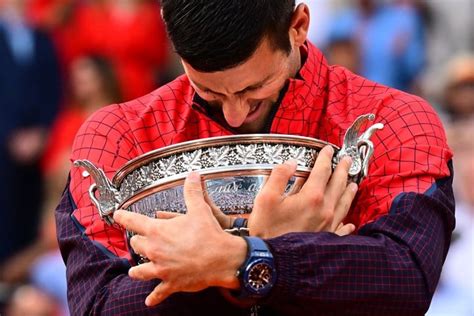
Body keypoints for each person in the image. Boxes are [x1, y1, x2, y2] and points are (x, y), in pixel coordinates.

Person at [56, 1, 454, 315]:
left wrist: (232, 261)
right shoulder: (118, 133)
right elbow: (99, 305)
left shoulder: (390, 120)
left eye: (255, 89)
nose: (233, 113)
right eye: (209, 91)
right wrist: (254, 258)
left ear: (298, 26)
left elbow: (405, 281)